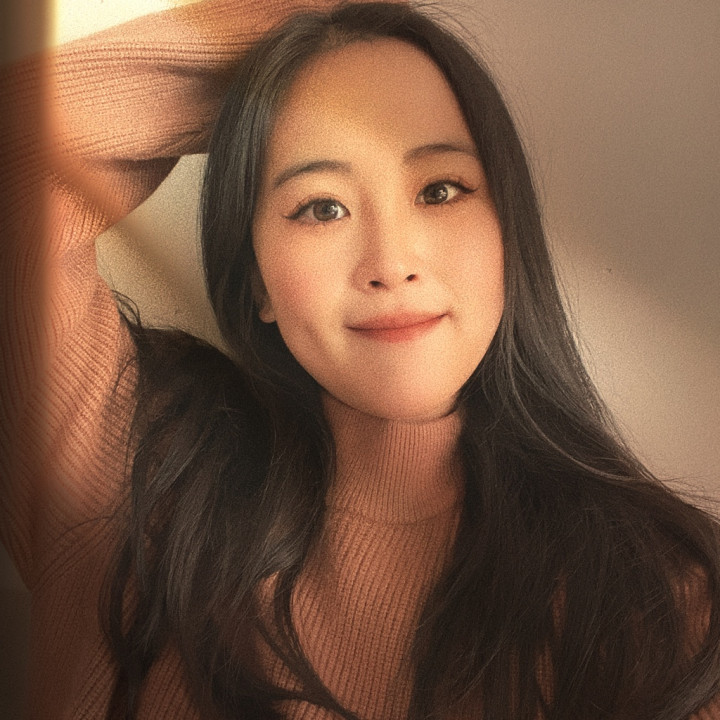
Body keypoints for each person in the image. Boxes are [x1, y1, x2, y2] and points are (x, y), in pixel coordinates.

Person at [1, 1, 719, 718]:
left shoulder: (669, 599)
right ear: (257, 281)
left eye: (440, 191)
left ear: (508, 234)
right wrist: (309, 36)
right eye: (322, 207)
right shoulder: (126, 477)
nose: (390, 263)